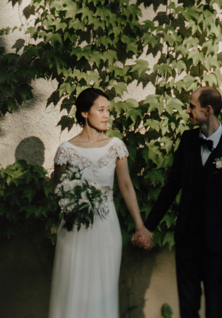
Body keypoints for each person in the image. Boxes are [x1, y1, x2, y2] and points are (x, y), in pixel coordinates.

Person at [133, 86, 222, 318]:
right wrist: (148, 226)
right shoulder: (187, 141)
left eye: (191, 107)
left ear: (208, 110)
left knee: (215, 309)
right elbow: (171, 187)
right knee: (187, 308)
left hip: (217, 245)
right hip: (187, 241)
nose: (187, 111)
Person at [48, 87, 150, 318]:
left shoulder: (115, 146)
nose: (106, 116)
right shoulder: (66, 150)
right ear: (84, 113)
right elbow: (58, 189)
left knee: (102, 288)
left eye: (108, 110)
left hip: (106, 228)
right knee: (72, 286)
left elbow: (125, 187)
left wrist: (140, 226)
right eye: (100, 110)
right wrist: (73, 199)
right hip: (74, 229)